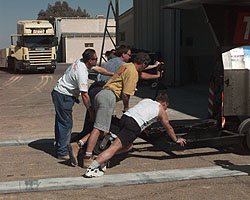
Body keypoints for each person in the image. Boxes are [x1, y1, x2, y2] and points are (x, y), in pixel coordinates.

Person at [84, 93, 187, 177]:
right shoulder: (161, 110)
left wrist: (144, 128)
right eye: (166, 107)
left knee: (129, 146)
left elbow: (141, 112)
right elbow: (168, 127)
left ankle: (103, 158)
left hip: (125, 118)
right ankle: (92, 168)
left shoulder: (146, 99)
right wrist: (176, 139)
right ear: (164, 104)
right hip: (133, 125)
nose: (165, 110)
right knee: (114, 147)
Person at [51, 49, 114, 160]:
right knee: (65, 124)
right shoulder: (82, 72)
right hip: (63, 95)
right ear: (89, 60)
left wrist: (113, 74)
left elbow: (98, 69)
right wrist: (91, 113)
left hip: (61, 94)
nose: (97, 60)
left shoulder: (82, 61)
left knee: (61, 122)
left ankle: (60, 147)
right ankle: (62, 152)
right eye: (95, 59)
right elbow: (85, 95)